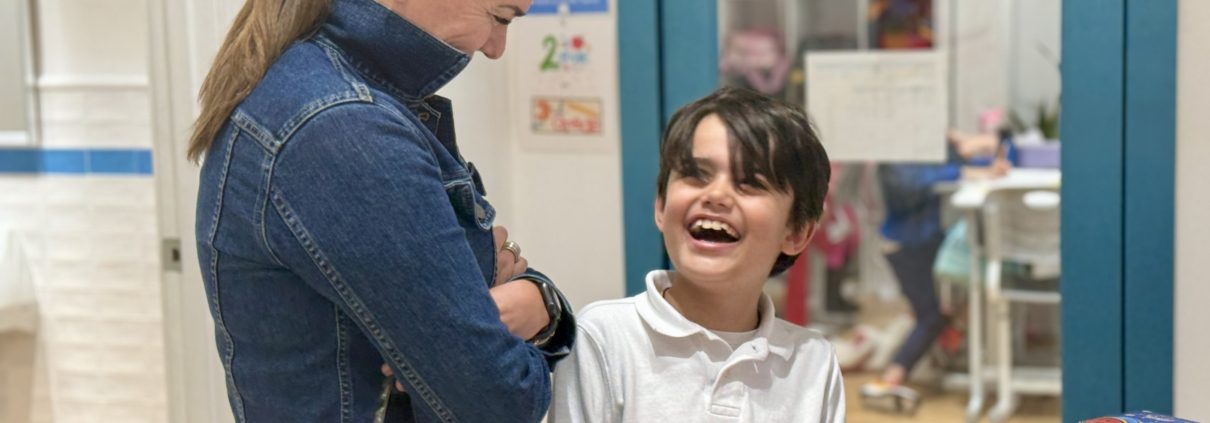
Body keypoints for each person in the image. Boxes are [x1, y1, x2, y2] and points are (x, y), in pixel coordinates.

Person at [187, 0, 575, 421]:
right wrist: (534, 318)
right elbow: (498, 404)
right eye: (500, 17)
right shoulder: (342, 127)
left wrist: (540, 302)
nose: (496, 48)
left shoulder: (326, 100)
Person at [550, 87, 845, 422]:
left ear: (796, 232)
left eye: (751, 182)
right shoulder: (602, 337)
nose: (716, 194)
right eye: (695, 175)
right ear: (661, 205)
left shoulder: (813, 362)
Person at [859, 129, 1008, 413]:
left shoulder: (924, 149)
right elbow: (913, 188)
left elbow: (966, 167)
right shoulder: (896, 159)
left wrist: (977, 152)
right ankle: (892, 376)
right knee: (929, 315)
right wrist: (964, 160)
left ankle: (911, 367)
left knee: (939, 309)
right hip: (905, 243)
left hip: (925, 239)